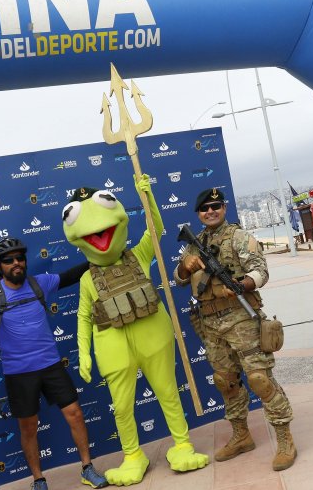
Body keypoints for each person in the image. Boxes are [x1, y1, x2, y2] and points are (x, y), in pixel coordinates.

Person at [63, 175, 209, 486]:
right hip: (113, 347)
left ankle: (181, 444)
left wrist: (149, 197)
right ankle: (133, 455)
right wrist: (84, 355)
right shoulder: (87, 280)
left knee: (168, 393)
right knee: (123, 407)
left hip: (153, 336)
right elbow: (83, 317)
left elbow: (154, 230)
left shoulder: (139, 255)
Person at [0, 238, 108, 490]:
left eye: (20, 258)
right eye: (9, 260)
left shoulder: (39, 283)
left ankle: (87, 468)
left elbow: (71, 275)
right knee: (28, 428)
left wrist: (103, 256)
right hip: (18, 373)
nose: (16, 263)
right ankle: (38, 480)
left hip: (50, 365)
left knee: (75, 414)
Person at [173, 187, 297, 471]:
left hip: (241, 318)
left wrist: (243, 285)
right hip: (210, 323)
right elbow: (179, 280)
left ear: (224, 208)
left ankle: (284, 437)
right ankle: (241, 435)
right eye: (205, 208)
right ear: (198, 213)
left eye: (216, 206)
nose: (211, 211)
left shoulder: (240, 237)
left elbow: (260, 269)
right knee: (226, 381)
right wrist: (184, 265)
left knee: (259, 379)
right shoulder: (194, 244)